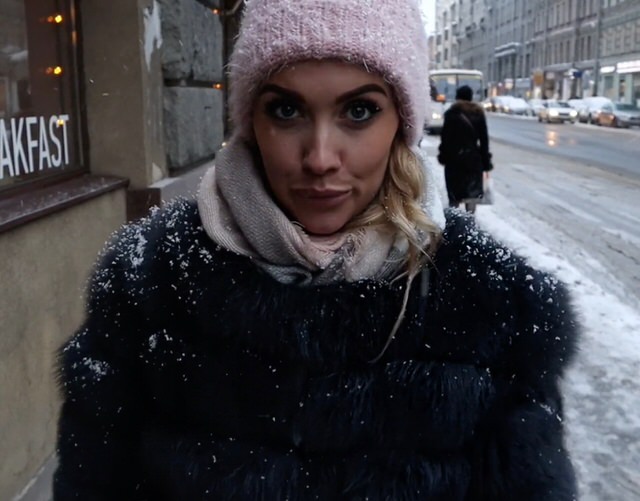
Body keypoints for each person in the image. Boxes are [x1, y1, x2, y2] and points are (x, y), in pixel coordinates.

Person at [53, 0, 579, 499]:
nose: (320, 157)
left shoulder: (492, 306)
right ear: (250, 123)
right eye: (286, 110)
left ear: (401, 123)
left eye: (359, 110)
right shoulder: (154, 285)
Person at [438, 85, 493, 214]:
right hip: (473, 159)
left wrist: (443, 155)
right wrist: (485, 161)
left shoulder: (451, 114)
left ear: (457, 97)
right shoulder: (478, 114)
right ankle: (470, 219)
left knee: (454, 195)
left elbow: (445, 138)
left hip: (454, 159)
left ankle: (454, 219)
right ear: (471, 97)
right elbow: (484, 140)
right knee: (471, 194)